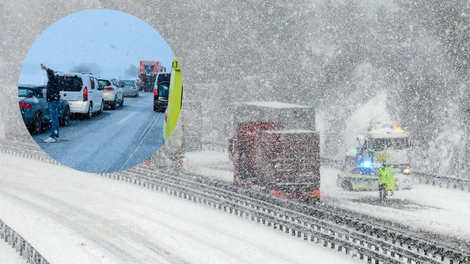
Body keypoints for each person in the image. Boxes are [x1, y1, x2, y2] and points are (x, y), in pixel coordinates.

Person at [41, 64, 61, 143]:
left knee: (54, 119)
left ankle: (53, 136)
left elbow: (52, 74)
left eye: (48, 74)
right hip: (53, 101)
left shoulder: (54, 79)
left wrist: (46, 68)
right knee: (54, 118)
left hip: (54, 101)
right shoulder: (51, 81)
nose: (47, 75)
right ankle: (56, 135)